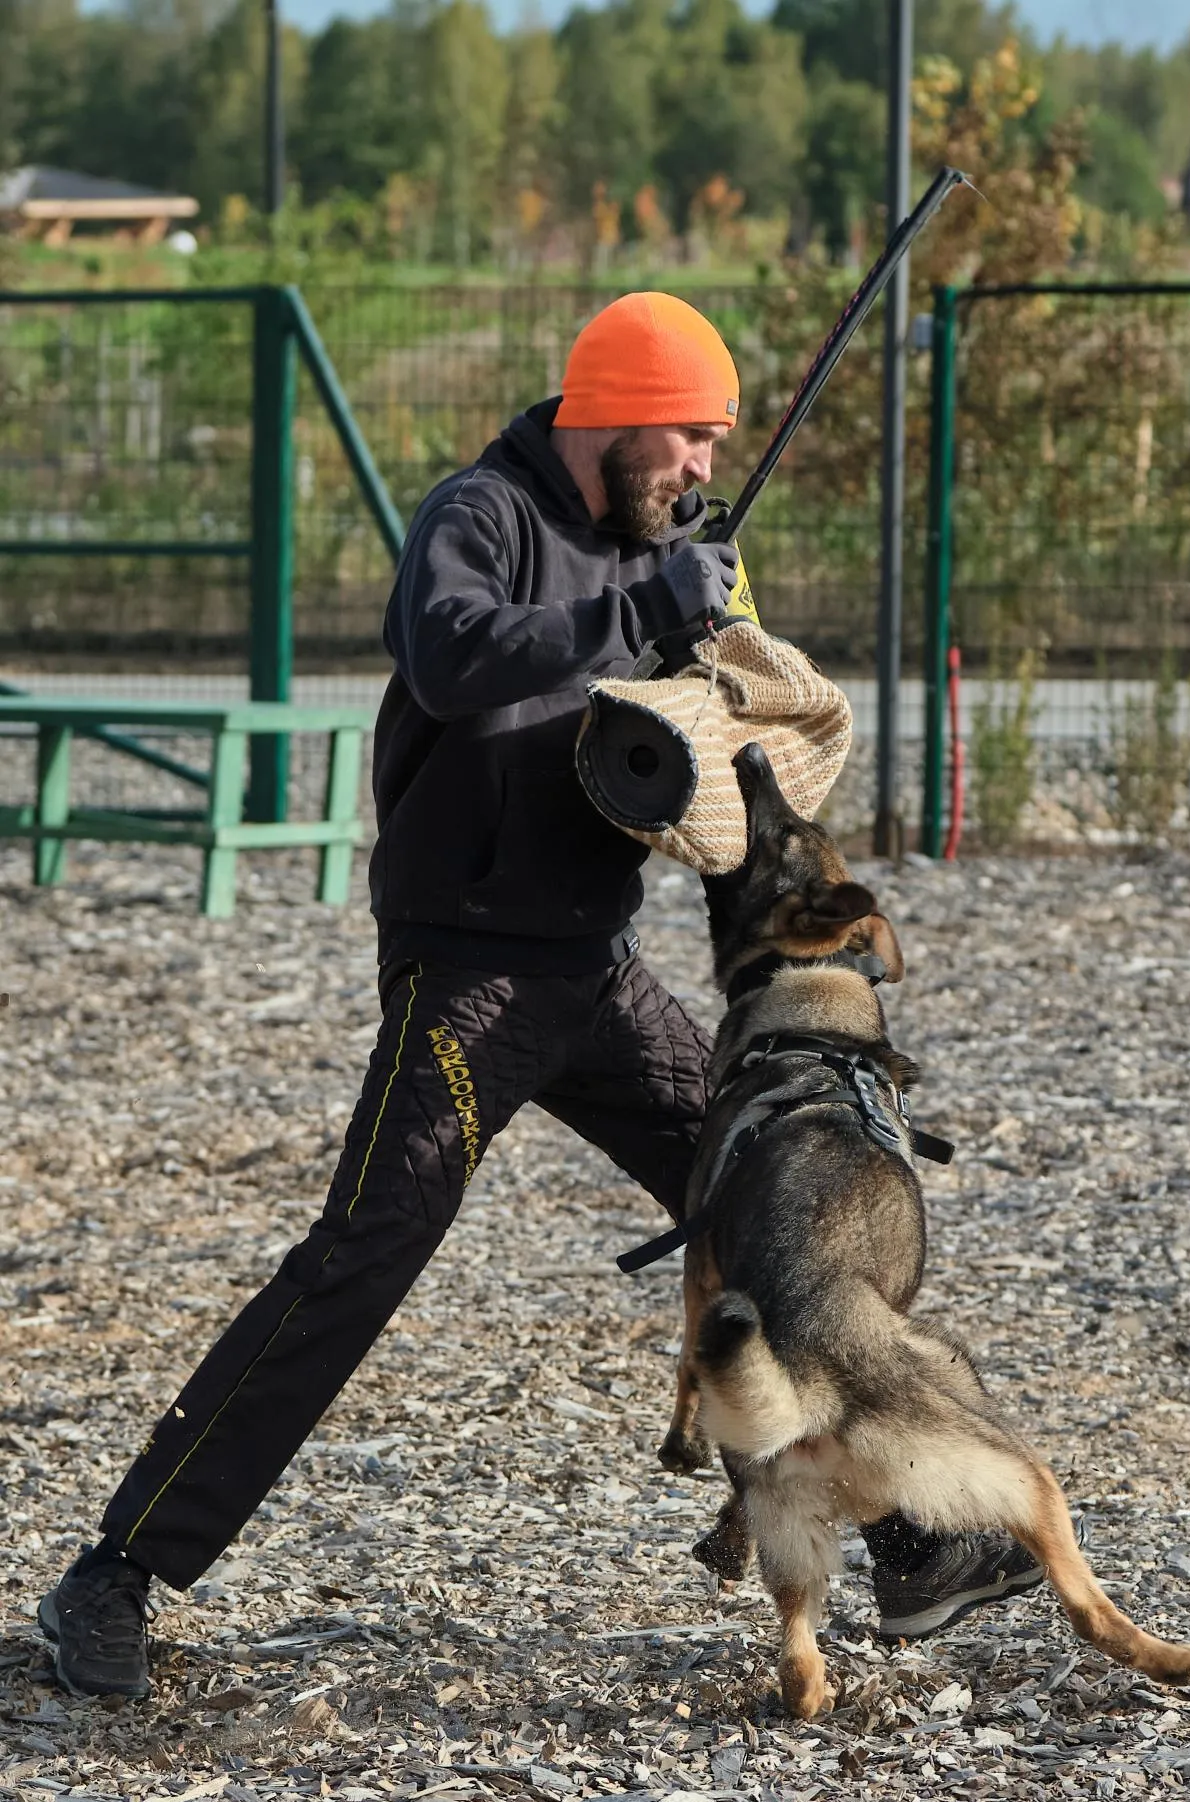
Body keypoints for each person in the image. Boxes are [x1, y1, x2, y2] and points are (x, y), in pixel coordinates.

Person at [39, 292, 1041, 1700]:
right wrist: (642, 608)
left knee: (779, 1207)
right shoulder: (483, 515)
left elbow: (695, 732)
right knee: (364, 1253)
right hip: (466, 973)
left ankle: (920, 1543)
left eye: (715, 448)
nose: (702, 467)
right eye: (689, 438)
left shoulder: (659, 547)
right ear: (617, 414)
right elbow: (450, 654)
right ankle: (115, 1572)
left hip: (599, 972)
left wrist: (724, 642)